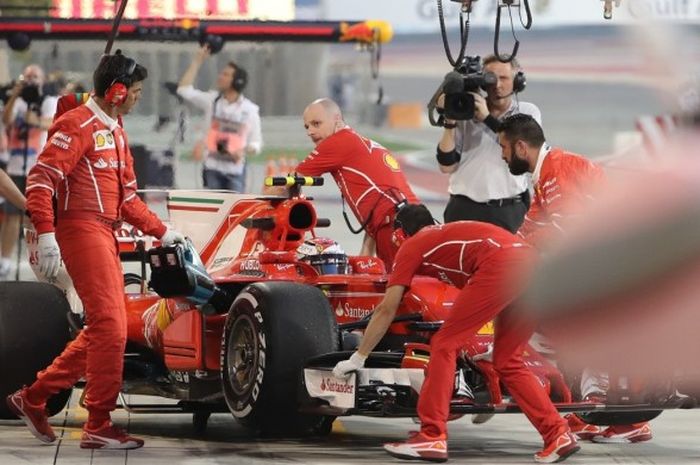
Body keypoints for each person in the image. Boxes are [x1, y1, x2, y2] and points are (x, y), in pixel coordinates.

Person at [6, 51, 186, 450]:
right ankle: (99, 423)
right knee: (111, 326)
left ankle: (34, 398)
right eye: (135, 91)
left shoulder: (115, 131)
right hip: (80, 229)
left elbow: (128, 201)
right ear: (117, 91)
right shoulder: (78, 124)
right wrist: (47, 232)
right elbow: (41, 180)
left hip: (106, 231)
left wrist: (163, 231)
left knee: (108, 325)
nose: (138, 97)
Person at [332, 204, 579, 463]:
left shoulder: (413, 245)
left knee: (443, 344)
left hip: (502, 267)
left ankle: (432, 435)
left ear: (400, 233)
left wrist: (358, 357)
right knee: (507, 360)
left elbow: (386, 309)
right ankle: (557, 433)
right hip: (534, 268)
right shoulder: (446, 236)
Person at [498, 113, 651, 444]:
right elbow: (530, 229)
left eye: (504, 147)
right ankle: (612, 417)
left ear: (521, 147)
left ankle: (609, 412)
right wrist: (500, 253)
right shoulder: (549, 174)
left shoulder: (558, 170)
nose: (502, 155)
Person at [294, 98, 419, 270]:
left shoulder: (336, 143)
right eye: (307, 127)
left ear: (336, 120)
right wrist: (364, 257)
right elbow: (378, 207)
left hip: (396, 229)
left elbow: (289, 181)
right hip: (415, 221)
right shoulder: (365, 143)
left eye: (317, 123)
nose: (311, 131)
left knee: (399, 288)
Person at [436, 55, 540, 233]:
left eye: (504, 78)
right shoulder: (466, 111)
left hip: (508, 211)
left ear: (518, 82)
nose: (497, 85)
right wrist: (450, 121)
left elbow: (521, 148)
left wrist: (486, 118)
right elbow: (446, 166)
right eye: (491, 78)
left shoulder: (528, 111)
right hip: (463, 209)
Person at [177, 44, 262, 192]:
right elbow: (184, 90)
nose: (220, 77)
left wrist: (243, 151)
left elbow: (256, 143)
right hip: (211, 168)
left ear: (237, 81)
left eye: (225, 74)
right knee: (213, 211)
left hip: (235, 171)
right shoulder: (212, 100)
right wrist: (197, 61)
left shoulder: (250, 110)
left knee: (235, 213)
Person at [0, 64, 58, 280]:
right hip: (15, 164)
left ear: (43, 79)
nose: (32, 80)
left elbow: (52, 123)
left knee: (37, 215)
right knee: (11, 216)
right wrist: (15, 95)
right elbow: (6, 120)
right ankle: (4, 262)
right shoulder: (19, 101)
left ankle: (40, 257)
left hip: (38, 166)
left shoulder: (49, 100)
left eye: (36, 76)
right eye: (28, 76)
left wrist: (35, 120)